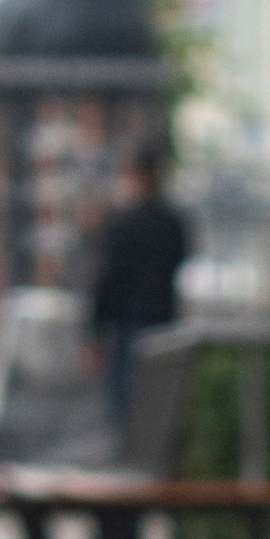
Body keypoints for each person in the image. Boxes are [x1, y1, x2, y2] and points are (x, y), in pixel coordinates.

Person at [89, 144, 188, 434]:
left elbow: (108, 280)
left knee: (126, 405)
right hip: (163, 322)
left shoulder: (123, 224)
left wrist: (95, 332)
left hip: (129, 326)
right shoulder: (173, 224)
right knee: (159, 405)